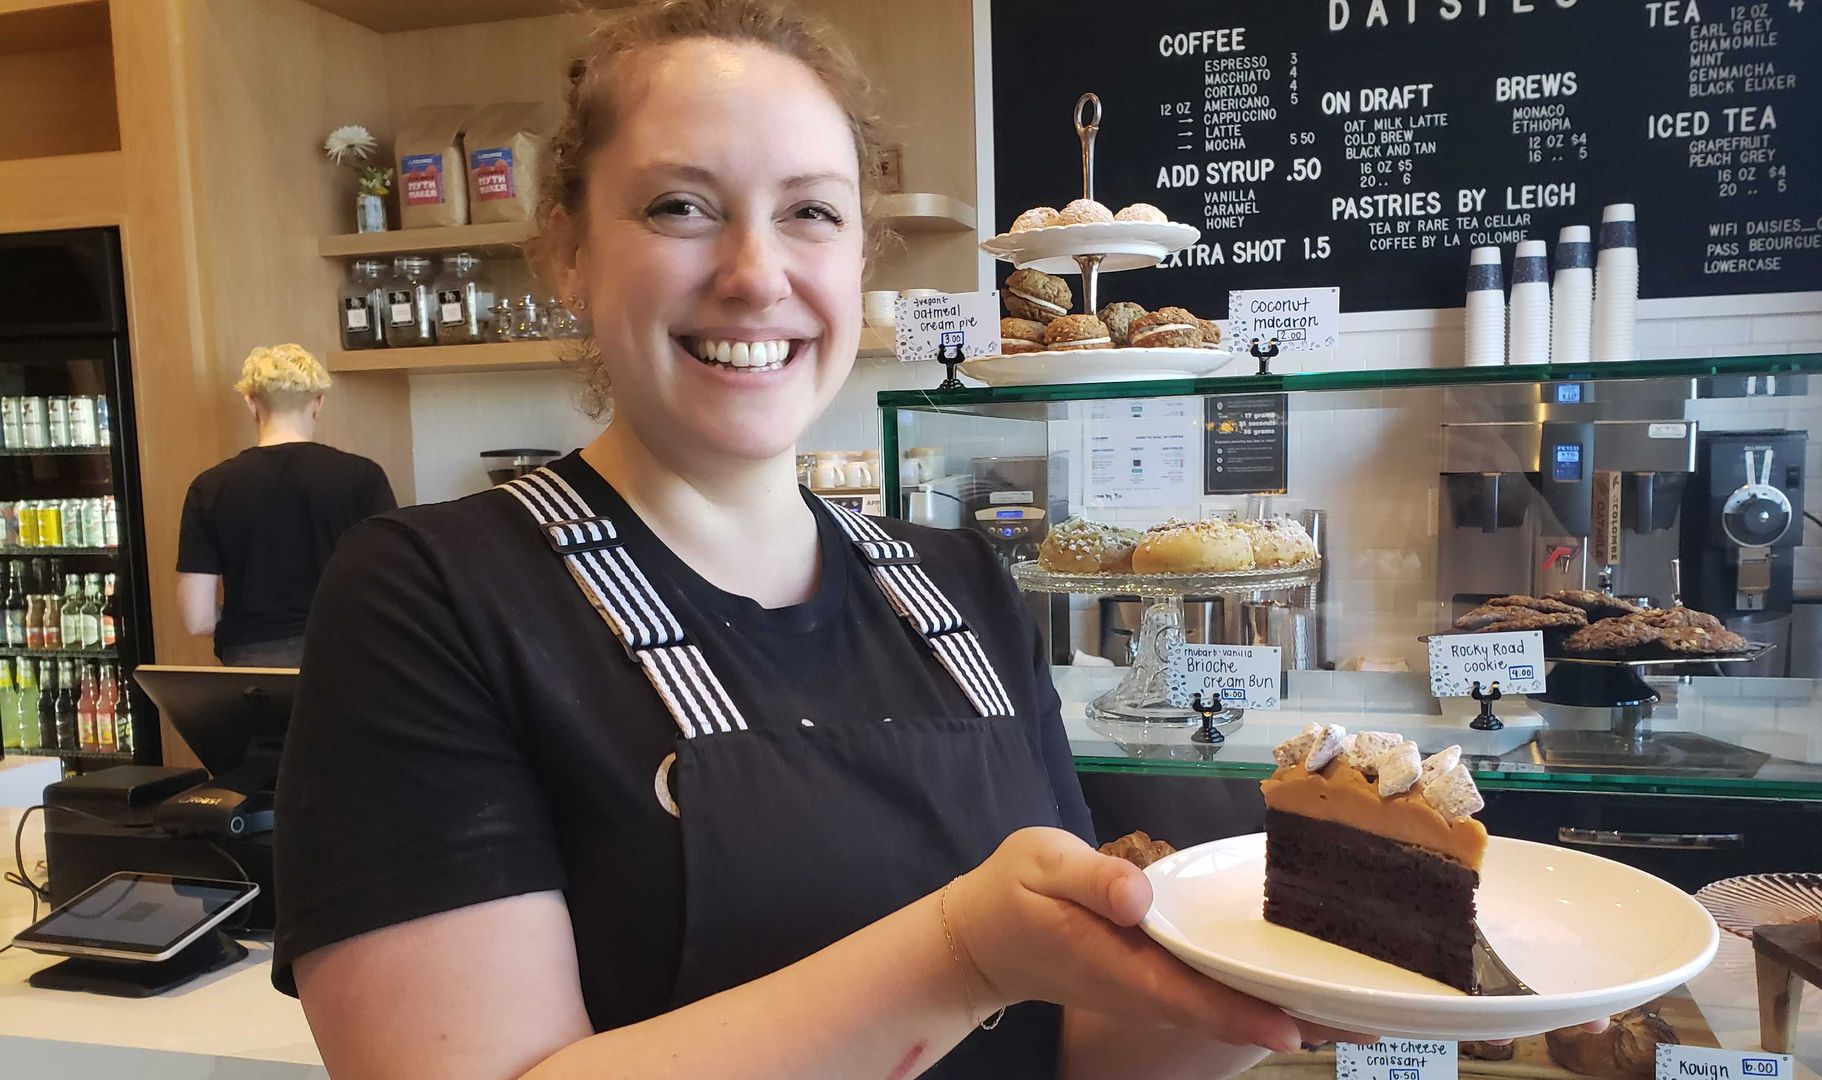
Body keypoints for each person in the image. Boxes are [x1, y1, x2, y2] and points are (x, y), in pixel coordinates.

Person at [272, 4, 1600, 1077]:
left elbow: (1079, 1055)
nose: (756, 271)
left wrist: (1269, 979)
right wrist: (960, 955)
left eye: (811, 212)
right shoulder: (434, 597)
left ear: (857, 259)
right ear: (563, 248)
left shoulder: (954, 586)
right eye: (679, 206)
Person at [175, 343, 396, 667]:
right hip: (347, 660)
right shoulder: (363, 477)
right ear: (318, 402)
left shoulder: (208, 487)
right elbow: (392, 585)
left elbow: (198, 620)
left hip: (252, 670)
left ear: (251, 403)